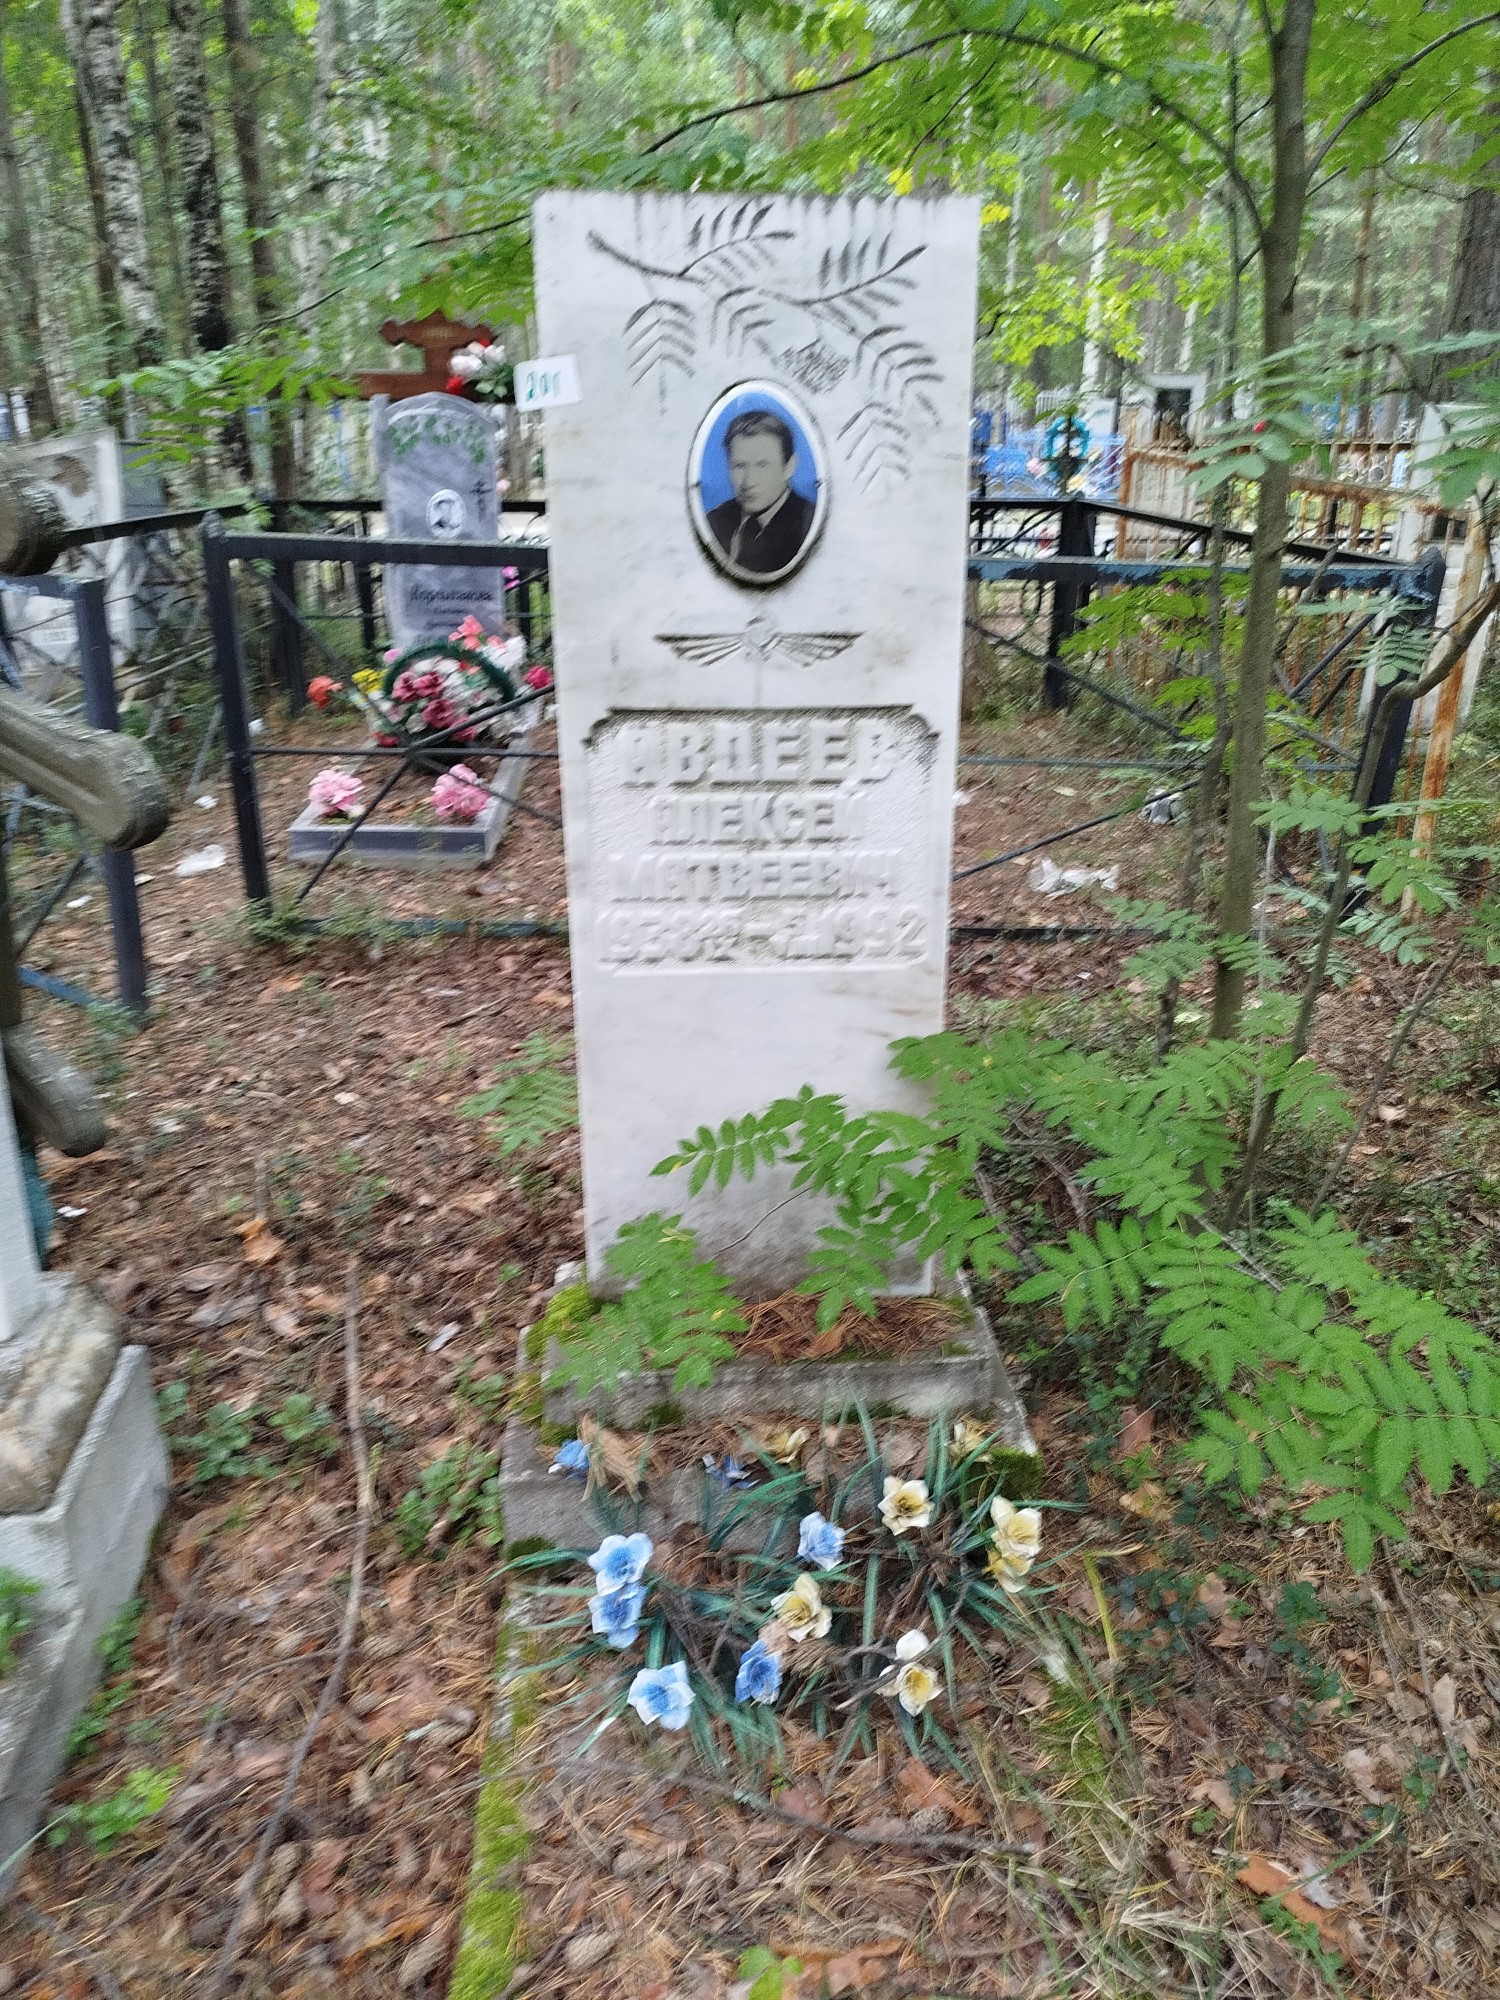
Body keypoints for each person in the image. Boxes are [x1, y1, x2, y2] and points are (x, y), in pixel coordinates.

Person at [705, 409, 816, 576]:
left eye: (762, 465)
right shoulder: (713, 521)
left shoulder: (808, 524)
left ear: (789, 467)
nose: (748, 482)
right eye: (739, 465)